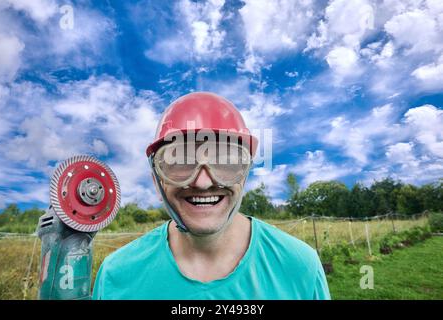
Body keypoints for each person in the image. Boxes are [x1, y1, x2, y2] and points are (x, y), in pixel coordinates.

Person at [92, 92, 331, 299]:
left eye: (226, 161)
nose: (203, 182)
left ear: (244, 175)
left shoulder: (300, 267)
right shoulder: (117, 275)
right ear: (157, 181)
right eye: (180, 161)